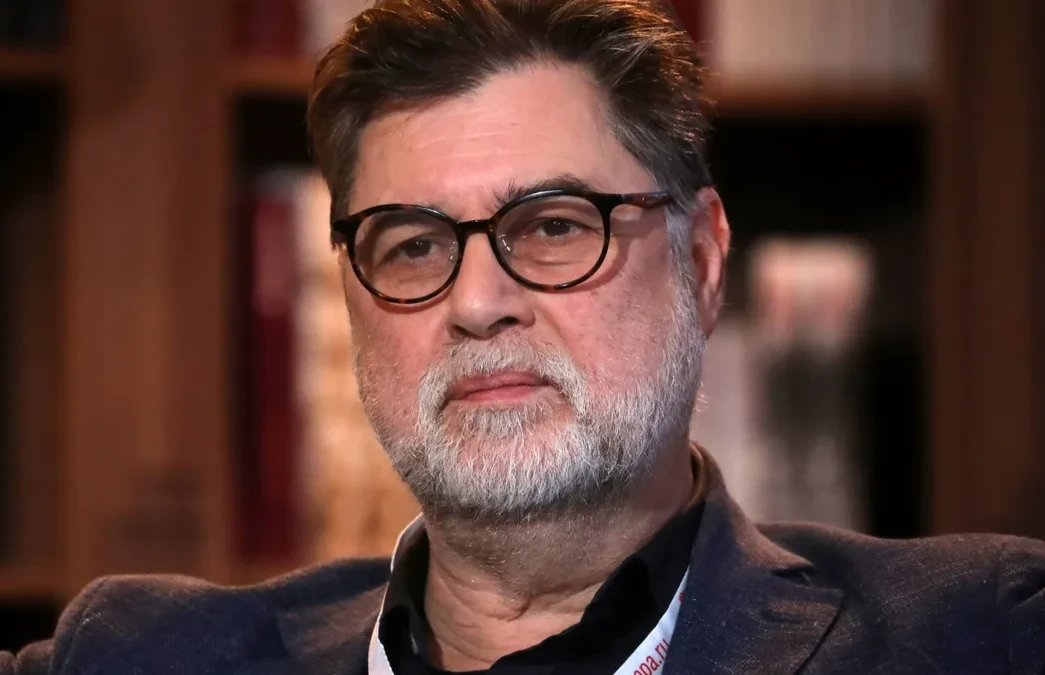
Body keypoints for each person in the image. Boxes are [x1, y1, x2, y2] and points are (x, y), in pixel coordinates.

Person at [4, 0, 1044, 673]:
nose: (477, 300)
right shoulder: (142, 653)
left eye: (552, 226)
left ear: (700, 259)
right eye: (413, 244)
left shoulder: (979, 634)